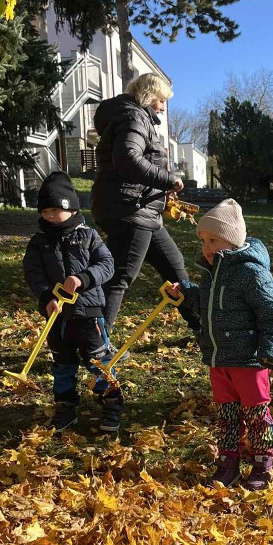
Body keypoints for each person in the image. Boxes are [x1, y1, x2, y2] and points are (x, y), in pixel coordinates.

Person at [168, 199, 273, 490]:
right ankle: (228, 462)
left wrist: (271, 349)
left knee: (256, 415)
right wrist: (186, 293)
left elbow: (272, 315)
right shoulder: (211, 273)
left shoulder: (251, 273)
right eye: (203, 241)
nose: (206, 248)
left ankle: (263, 463)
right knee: (227, 416)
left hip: (249, 360)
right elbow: (205, 305)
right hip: (219, 359)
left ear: (233, 240)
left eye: (213, 240)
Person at [91, 73, 200, 350]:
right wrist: (168, 180)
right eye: (161, 100)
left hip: (141, 211)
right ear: (149, 96)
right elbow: (127, 159)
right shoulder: (134, 117)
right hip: (130, 209)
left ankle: (203, 330)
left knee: (175, 269)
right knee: (119, 277)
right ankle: (95, 345)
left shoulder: (130, 117)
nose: (163, 107)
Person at [23, 172, 124, 434]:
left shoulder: (88, 236)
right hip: (56, 316)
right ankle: (65, 404)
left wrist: (83, 278)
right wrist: (46, 297)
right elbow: (33, 273)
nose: (49, 215)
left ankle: (111, 399)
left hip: (88, 313)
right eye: (45, 211)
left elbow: (107, 264)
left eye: (55, 210)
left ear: (72, 209)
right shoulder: (38, 242)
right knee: (62, 362)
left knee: (98, 359)